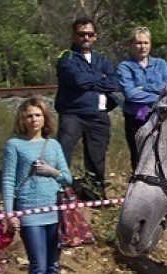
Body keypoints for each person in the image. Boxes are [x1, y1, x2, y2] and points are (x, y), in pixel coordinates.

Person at [2, 97, 73, 274]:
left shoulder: (53, 146)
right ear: (22, 119)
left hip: (53, 212)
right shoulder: (14, 145)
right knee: (39, 266)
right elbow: (9, 181)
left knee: (53, 266)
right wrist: (9, 214)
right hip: (29, 212)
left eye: (38, 115)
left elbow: (68, 177)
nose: (34, 119)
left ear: (45, 119)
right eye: (29, 115)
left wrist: (52, 172)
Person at [55, 16, 118, 195]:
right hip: (72, 114)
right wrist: (100, 78)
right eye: (81, 34)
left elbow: (113, 83)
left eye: (90, 34)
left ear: (95, 36)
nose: (86, 38)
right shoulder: (66, 57)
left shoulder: (102, 60)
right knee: (63, 152)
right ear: (74, 36)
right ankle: (60, 190)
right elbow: (78, 80)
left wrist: (94, 80)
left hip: (98, 115)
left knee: (96, 158)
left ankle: (94, 193)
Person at [117, 26, 167, 171]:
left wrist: (144, 88)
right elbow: (131, 94)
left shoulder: (160, 64)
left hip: (160, 115)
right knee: (139, 156)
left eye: (145, 43)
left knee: (162, 154)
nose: (142, 47)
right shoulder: (125, 67)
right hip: (138, 115)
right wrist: (157, 93)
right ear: (131, 45)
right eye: (138, 43)